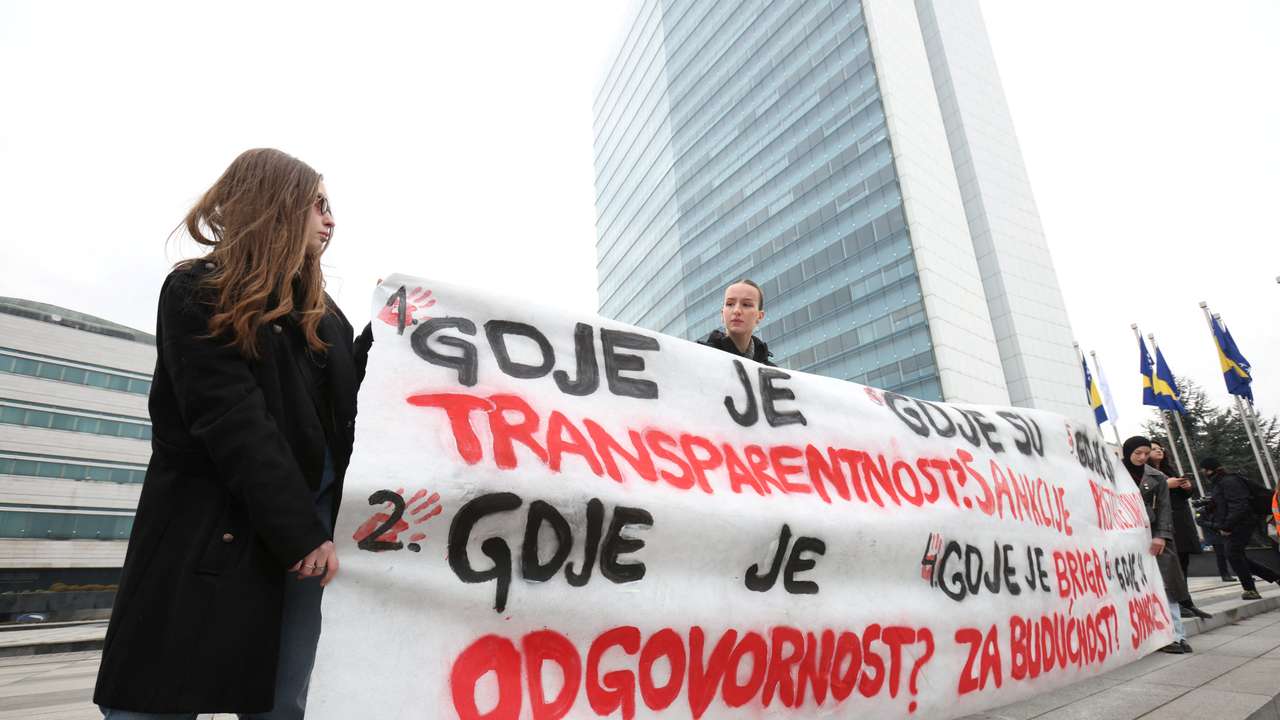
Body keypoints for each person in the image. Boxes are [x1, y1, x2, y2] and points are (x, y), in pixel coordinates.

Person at [94, 149, 372, 719]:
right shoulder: (199, 293)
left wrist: (398, 332)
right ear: (277, 204)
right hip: (212, 541)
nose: (331, 219)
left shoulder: (326, 318)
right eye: (318, 203)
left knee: (283, 704)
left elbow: (354, 402)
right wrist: (302, 537)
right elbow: (235, 424)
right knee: (156, 702)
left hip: (305, 547)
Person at [1122, 436, 1192, 653]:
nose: (1143, 457)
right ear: (1128, 453)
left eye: (1146, 453)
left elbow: (1164, 508)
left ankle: (1176, 636)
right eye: (1138, 453)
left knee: (1167, 585)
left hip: (1153, 536)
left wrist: (1161, 536)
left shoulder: (1157, 476)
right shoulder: (1113, 473)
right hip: (1124, 537)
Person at [1146, 443, 1212, 620]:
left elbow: (1185, 496)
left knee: (1183, 562)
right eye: (1153, 449)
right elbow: (1145, 493)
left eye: (1160, 448)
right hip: (1164, 523)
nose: (1159, 450)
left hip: (1181, 521)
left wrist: (1187, 487)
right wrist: (1166, 484)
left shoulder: (1169, 469)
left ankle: (1186, 602)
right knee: (1171, 565)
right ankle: (1180, 603)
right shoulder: (1147, 472)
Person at [1202, 456, 1280, 600]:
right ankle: (1274, 577)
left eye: (1204, 470)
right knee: (1236, 555)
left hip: (1242, 523)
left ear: (1209, 470)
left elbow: (1239, 505)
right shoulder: (1220, 482)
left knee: (1233, 554)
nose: (1203, 473)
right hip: (1237, 523)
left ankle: (1251, 590)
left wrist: (1227, 526)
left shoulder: (1228, 481)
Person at [699, 279, 774, 365]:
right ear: (722, 314)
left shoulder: (774, 372)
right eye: (730, 304)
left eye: (746, 304)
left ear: (759, 316)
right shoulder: (698, 356)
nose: (736, 310)